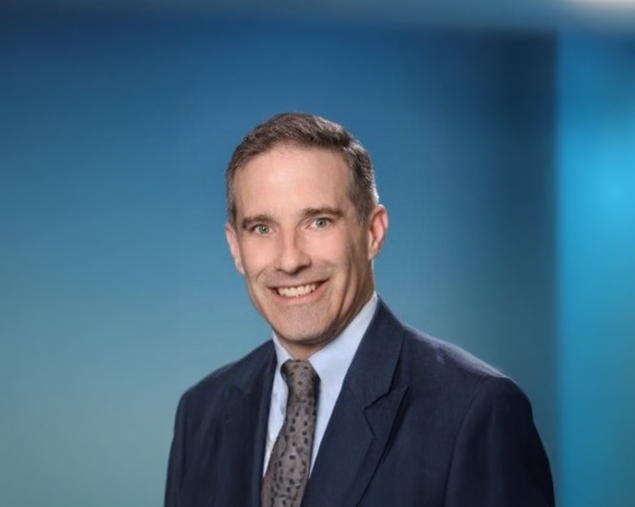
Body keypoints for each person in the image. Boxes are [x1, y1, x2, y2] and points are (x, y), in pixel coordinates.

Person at [164, 112, 555, 507]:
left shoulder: (476, 411)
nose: (290, 260)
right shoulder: (200, 412)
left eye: (318, 222)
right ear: (235, 248)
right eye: (262, 229)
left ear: (373, 232)